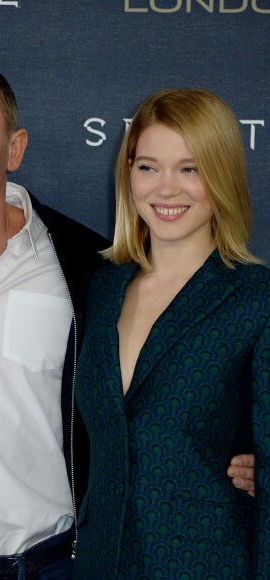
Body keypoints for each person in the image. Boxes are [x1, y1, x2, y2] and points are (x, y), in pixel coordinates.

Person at [0, 61, 256, 580]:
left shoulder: (86, 267)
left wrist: (242, 451)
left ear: (15, 147)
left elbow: (169, 388)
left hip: (54, 568)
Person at [73, 88, 269, 578]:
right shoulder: (100, 290)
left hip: (209, 563)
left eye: (190, 168)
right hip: (101, 563)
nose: (166, 189)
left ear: (221, 174)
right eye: (148, 166)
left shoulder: (255, 298)